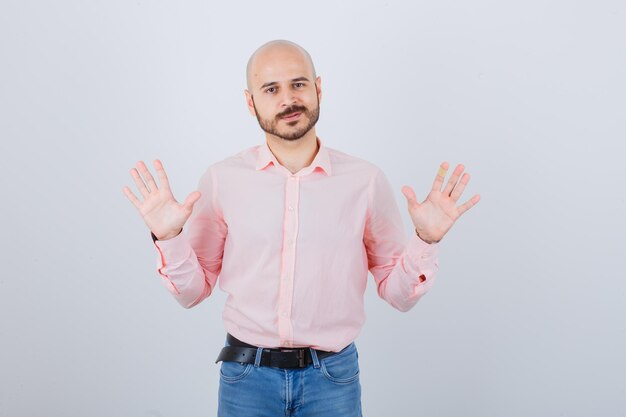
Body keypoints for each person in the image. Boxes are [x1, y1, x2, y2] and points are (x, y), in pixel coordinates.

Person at [123, 39, 480, 417]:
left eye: (298, 84)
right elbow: (192, 293)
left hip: (333, 378)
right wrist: (169, 238)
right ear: (251, 103)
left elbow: (399, 295)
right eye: (271, 89)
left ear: (318, 88)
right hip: (246, 378)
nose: (288, 99)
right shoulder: (222, 180)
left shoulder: (366, 181)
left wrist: (426, 240)